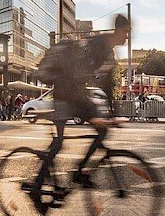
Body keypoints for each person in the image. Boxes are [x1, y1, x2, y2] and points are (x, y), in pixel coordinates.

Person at [48, 14, 129, 188]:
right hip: (64, 92)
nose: (127, 37)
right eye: (126, 32)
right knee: (59, 143)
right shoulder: (97, 45)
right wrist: (90, 113)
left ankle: (79, 172)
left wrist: (112, 116)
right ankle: (38, 183)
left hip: (77, 93)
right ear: (117, 30)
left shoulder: (109, 53)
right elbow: (77, 71)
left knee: (102, 131)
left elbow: (107, 86)